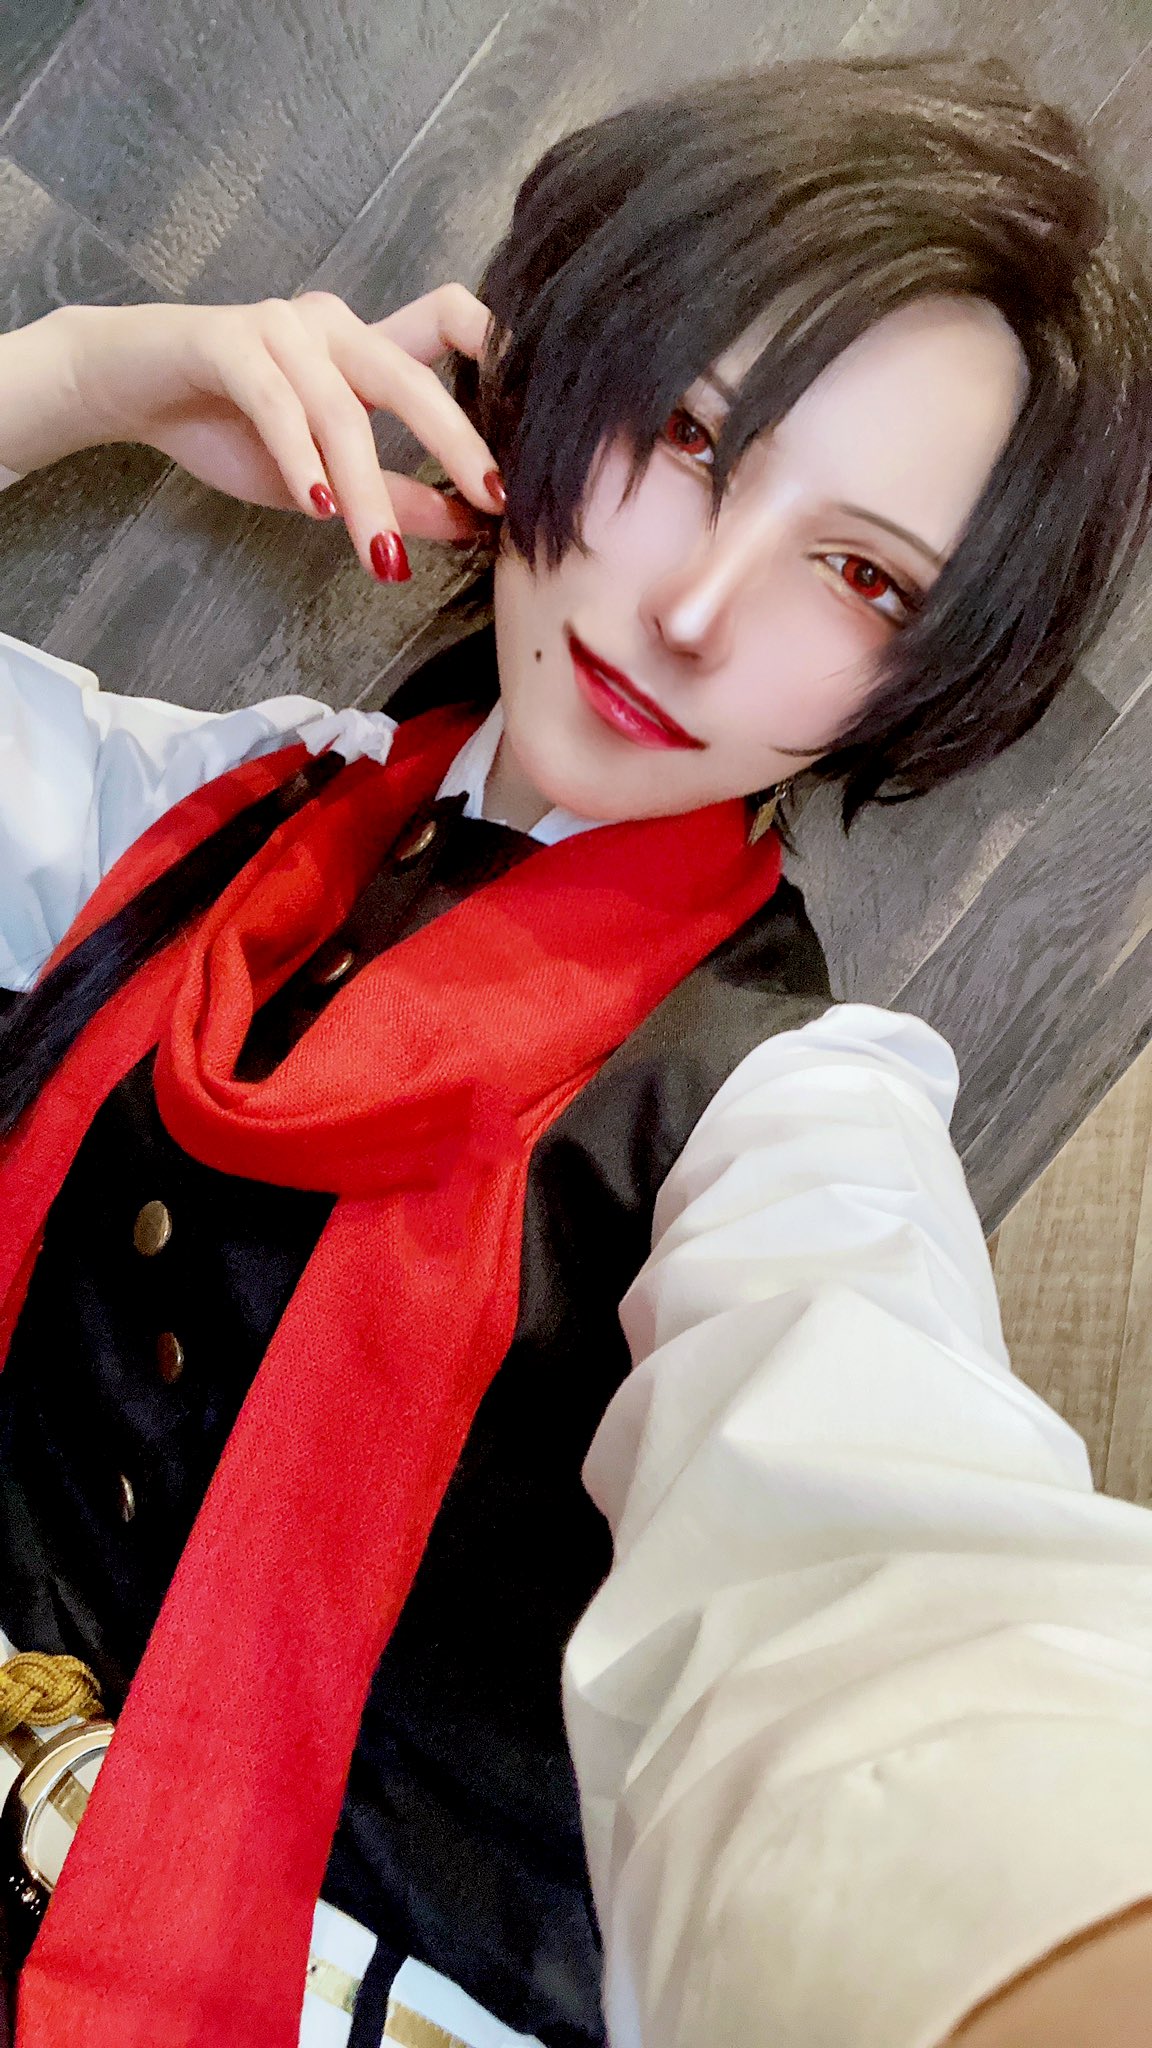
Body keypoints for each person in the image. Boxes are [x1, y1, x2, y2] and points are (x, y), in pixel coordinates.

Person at [0, 45, 1149, 2048]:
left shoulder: (787, 1121)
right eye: (692, 434)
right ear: (546, 371)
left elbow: (883, 1600)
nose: (695, 607)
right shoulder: (213, 816)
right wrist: (83, 376)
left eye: (861, 573)